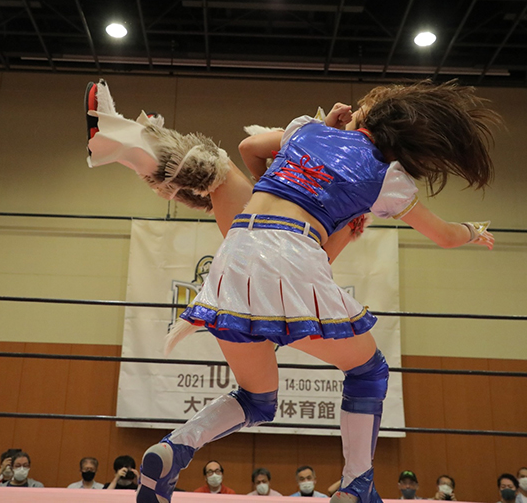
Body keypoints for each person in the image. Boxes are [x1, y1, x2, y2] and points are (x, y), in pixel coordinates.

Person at [84, 78, 497, 503]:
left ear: (368, 117)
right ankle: (356, 485)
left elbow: (250, 150)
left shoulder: (306, 129)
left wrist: (286, 176)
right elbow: (445, 236)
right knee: (368, 371)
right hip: (291, 251)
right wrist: (474, 230)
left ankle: (174, 448)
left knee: (257, 398)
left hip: (238, 248)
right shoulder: (388, 180)